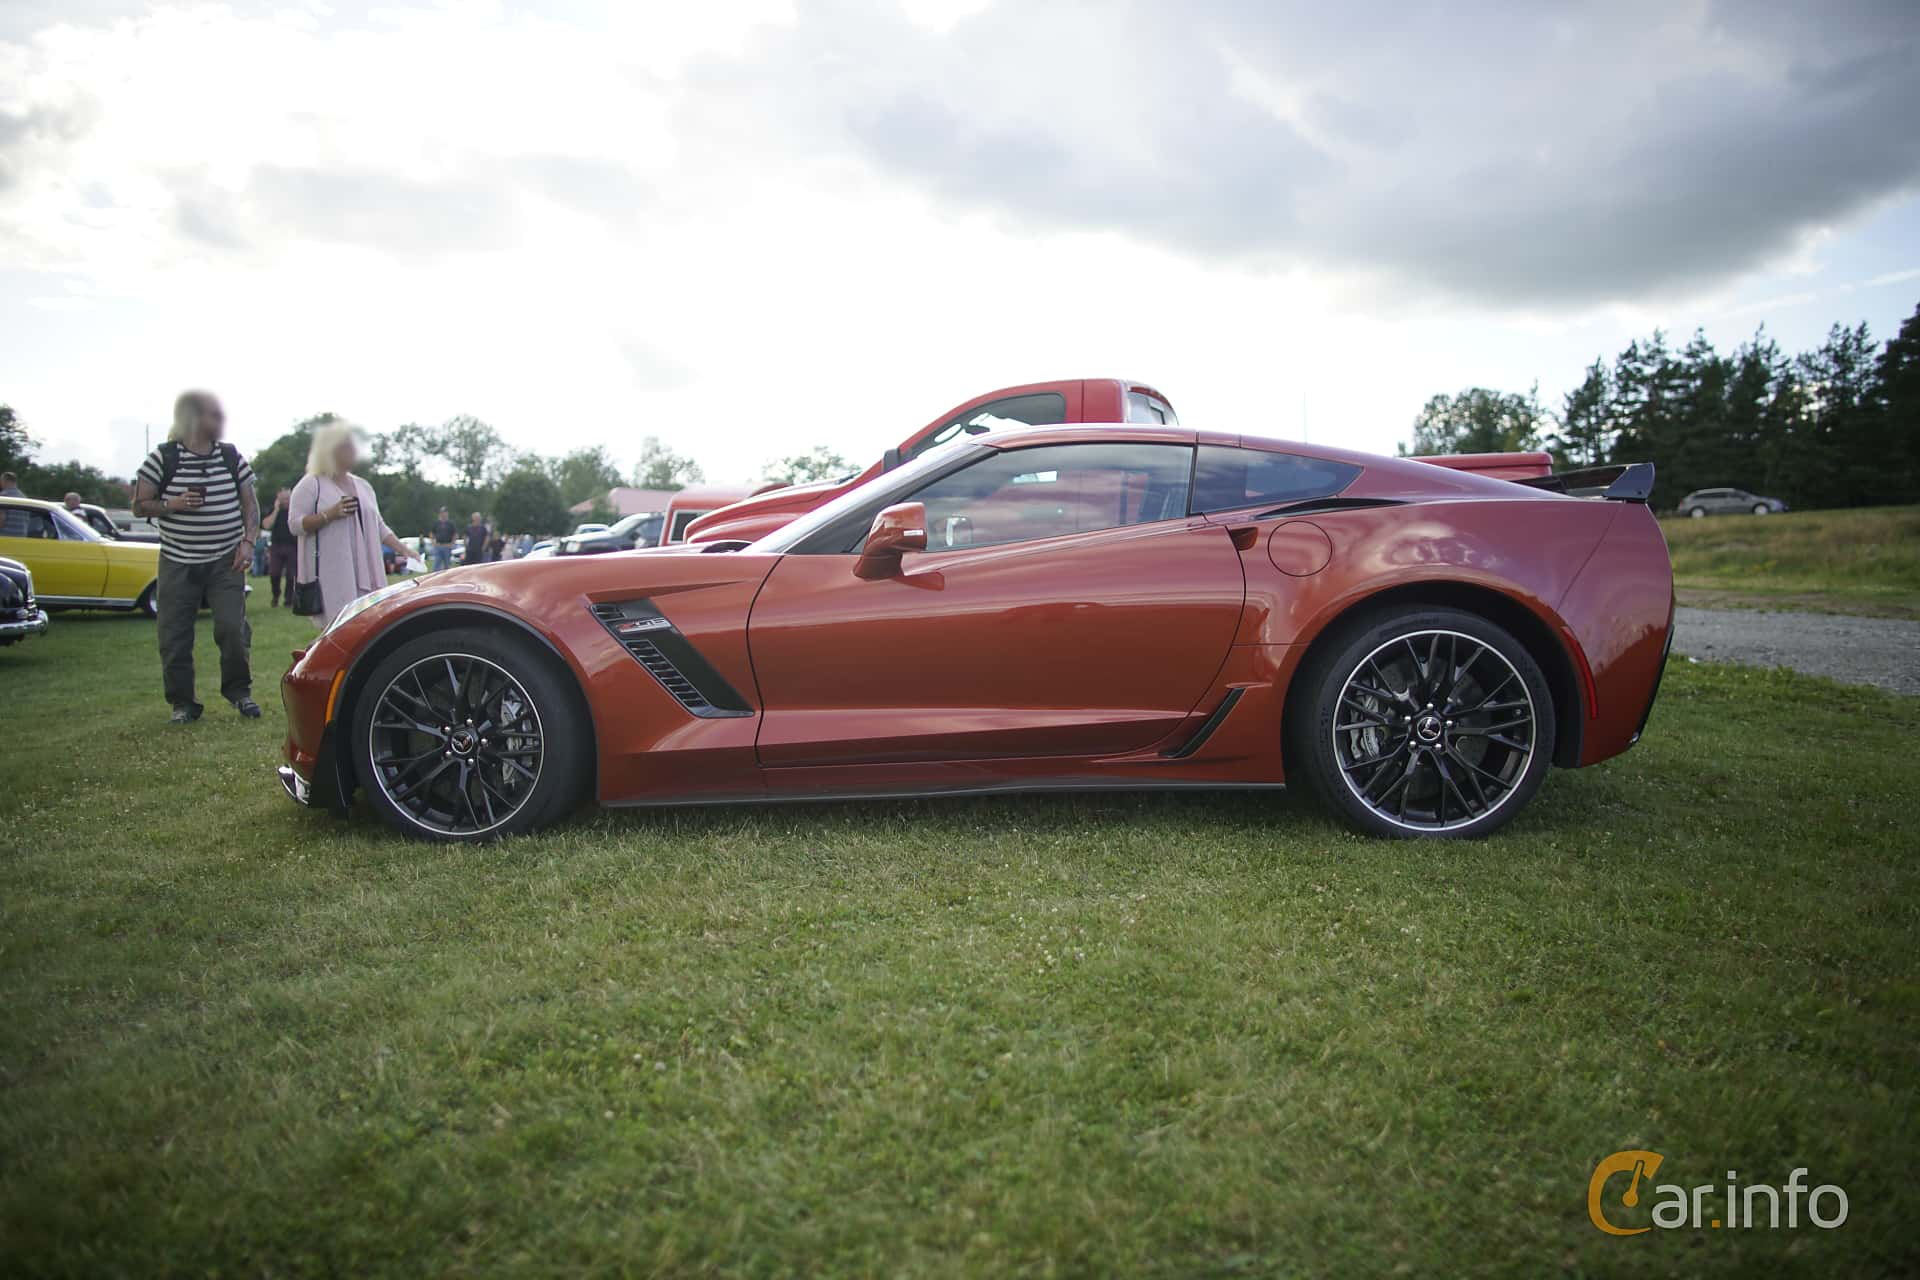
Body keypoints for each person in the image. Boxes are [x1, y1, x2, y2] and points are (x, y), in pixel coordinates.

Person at [130, 389, 260, 723]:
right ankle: (183, 703)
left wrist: (248, 542)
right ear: (192, 418)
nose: (220, 421)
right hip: (178, 559)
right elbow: (138, 505)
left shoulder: (231, 457)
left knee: (231, 628)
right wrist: (171, 504)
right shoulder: (163, 458)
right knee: (174, 634)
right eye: (213, 415)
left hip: (226, 559)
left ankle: (239, 693)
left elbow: (250, 502)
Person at [289, 423, 411, 629]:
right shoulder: (311, 484)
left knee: (369, 627)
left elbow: (379, 525)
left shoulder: (363, 486)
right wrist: (330, 514)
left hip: (367, 569)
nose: (354, 451)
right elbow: (295, 525)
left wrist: (404, 550)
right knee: (338, 628)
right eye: (347, 446)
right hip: (333, 573)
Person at [264, 487, 297, 606]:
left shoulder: (295, 510)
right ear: (278, 499)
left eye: (287, 498)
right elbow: (266, 525)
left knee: (291, 575)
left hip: (293, 545)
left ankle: (289, 599)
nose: (286, 501)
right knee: (274, 573)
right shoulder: (273, 510)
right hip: (276, 546)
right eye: (283, 499)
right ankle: (275, 595)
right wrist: (276, 510)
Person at [429, 506, 457, 572]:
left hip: (447, 546)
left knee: (447, 565)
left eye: (444, 512)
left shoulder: (450, 523)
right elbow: (431, 533)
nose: (443, 514)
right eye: (441, 512)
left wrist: (452, 543)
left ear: (447, 513)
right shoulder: (437, 523)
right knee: (436, 565)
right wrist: (433, 542)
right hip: (438, 546)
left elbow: (455, 534)